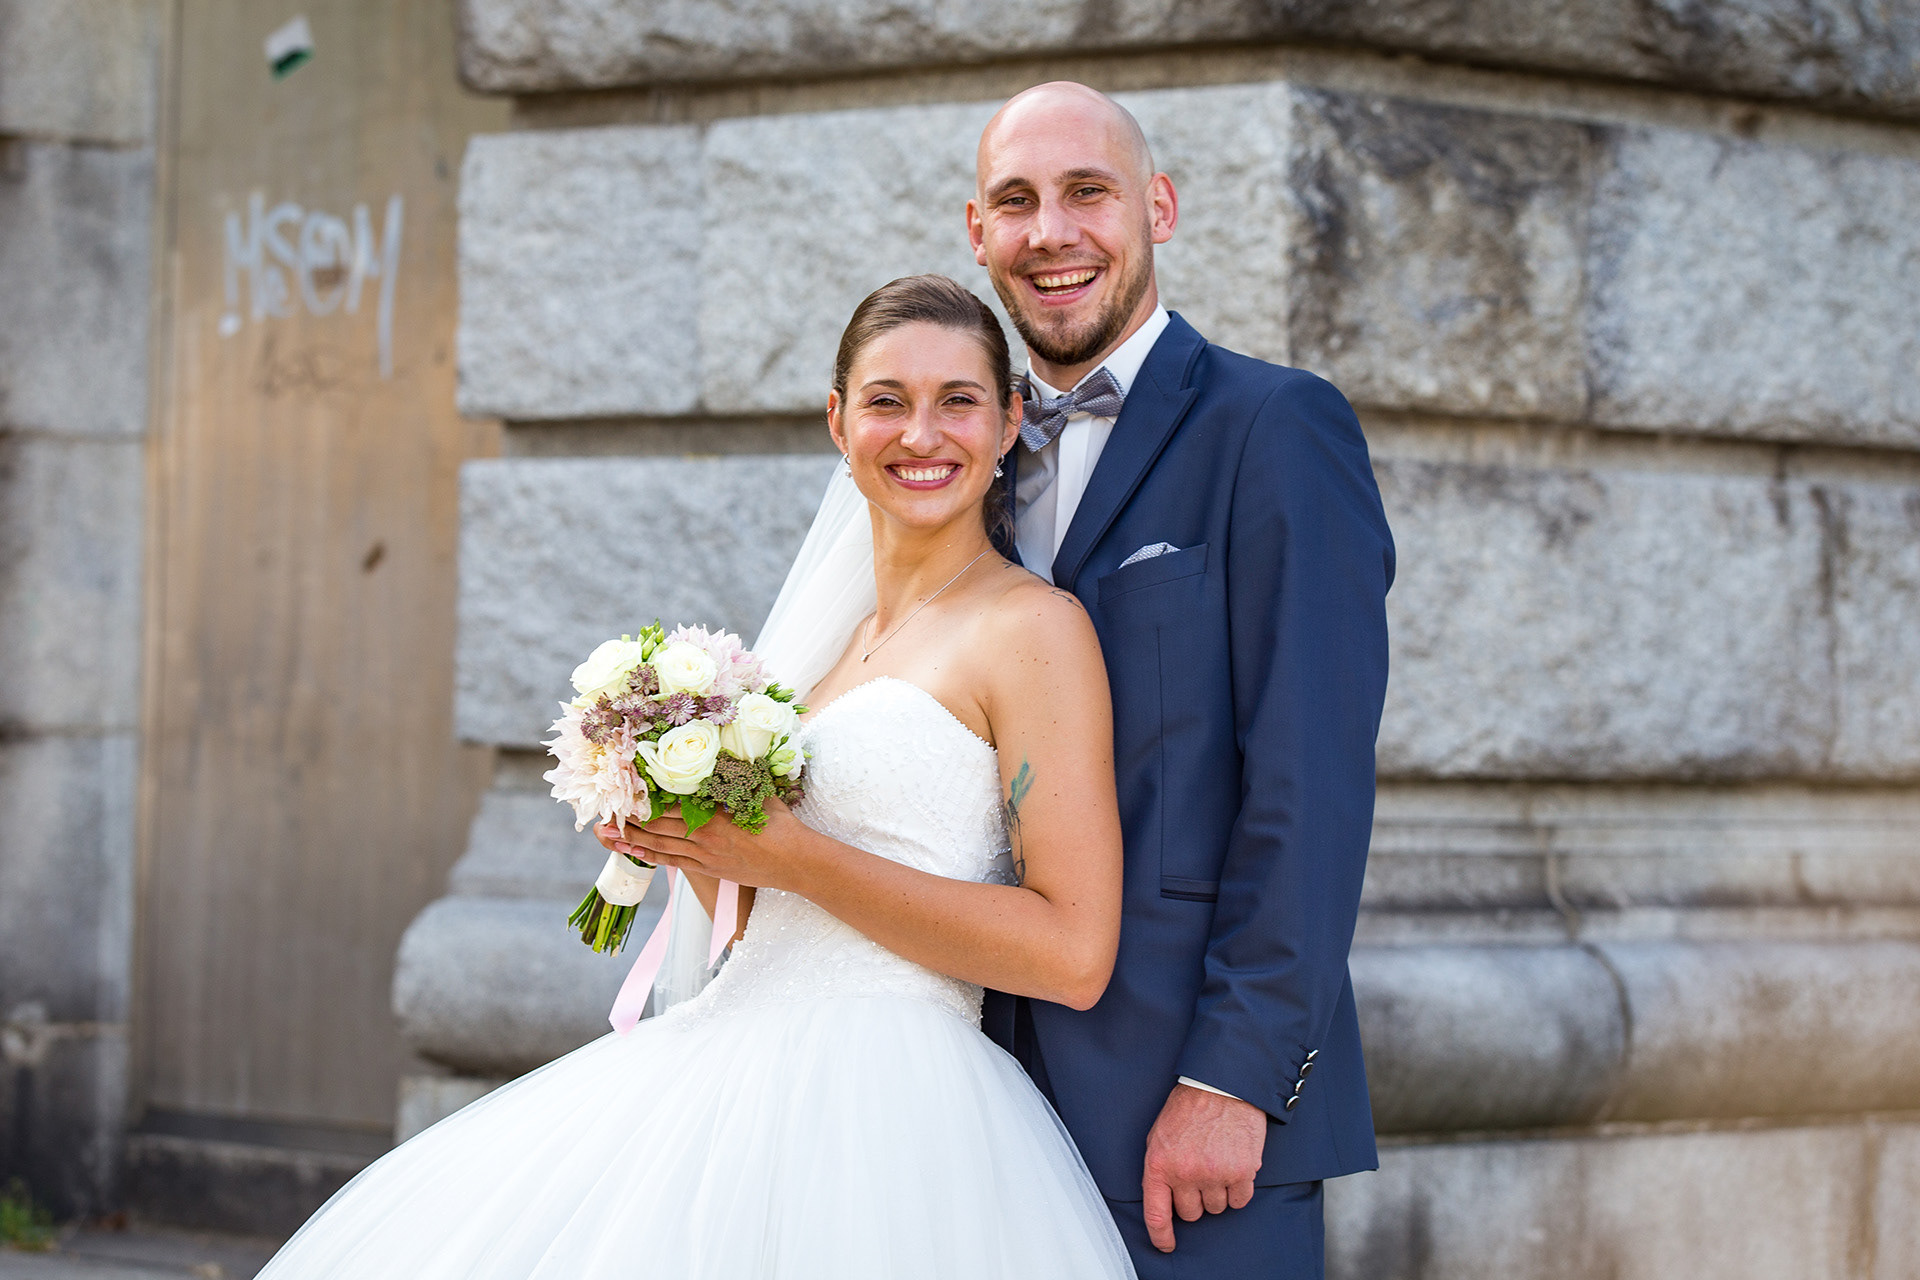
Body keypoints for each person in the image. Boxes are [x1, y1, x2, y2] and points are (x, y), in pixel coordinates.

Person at [251, 275, 1138, 1279]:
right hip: (728, 1055)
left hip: (893, 1103)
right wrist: (681, 838)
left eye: (959, 400)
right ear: (839, 420)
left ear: (1012, 418)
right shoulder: (829, 647)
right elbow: (757, 920)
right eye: (887, 399)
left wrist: (796, 855)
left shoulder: (1033, 631)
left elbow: (1072, 950)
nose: (920, 432)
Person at [964, 82, 1396, 1278]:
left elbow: (1309, 781)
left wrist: (1234, 1076)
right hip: (969, 1106)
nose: (1052, 231)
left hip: (1189, 1125)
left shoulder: (1279, 427)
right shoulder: (961, 461)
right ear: (977, 231)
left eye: (1087, 192)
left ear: (1155, 206)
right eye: (1017, 202)